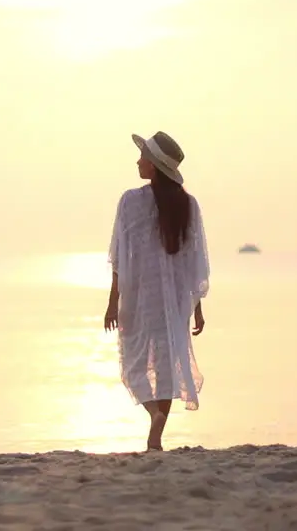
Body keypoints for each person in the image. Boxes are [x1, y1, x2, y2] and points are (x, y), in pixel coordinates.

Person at [103, 131, 210, 451]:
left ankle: (154, 416)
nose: (138, 160)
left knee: (134, 361)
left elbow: (120, 256)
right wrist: (197, 306)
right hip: (176, 297)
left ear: (154, 167)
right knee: (165, 361)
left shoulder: (130, 201)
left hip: (140, 294)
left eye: (143, 157)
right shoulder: (187, 204)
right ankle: (157, 432)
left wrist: (112, 302)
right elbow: (194, 260)